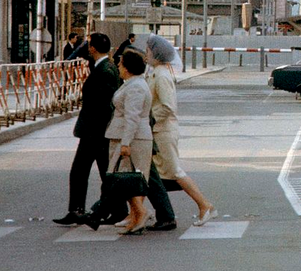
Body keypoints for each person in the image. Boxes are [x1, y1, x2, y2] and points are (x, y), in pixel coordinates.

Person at [53, 33, 123, 226]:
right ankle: (117, 210)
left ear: (92, 48)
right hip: (97, 131)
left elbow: (106, 103)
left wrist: (100, 128)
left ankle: (79, 210)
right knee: (103, 173)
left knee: (80, 171)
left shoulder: (105, 70)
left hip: (95, 131)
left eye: (88, 45)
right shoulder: (103, 66)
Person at [146, 35, 216, 227]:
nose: (146, 54)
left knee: (175, 172)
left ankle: (204, 205)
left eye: (149, 51)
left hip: (163, 132)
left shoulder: (161, 75)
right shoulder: (156, 72)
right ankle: (143, 212)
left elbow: (168, 106)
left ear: (157, 53)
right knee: (151, 174)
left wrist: (149, 120)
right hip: (157, 132)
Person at [102, 49, 154, 235]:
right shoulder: (132, 84)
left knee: (127, 179)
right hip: (126, 136)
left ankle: (140, 213)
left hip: (133, 138)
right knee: (128, 179)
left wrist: (126, 143)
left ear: (128, 67)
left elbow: (133, 117)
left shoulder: (136, 87)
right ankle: (135, 216)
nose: (118, 66)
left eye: (121, 63)